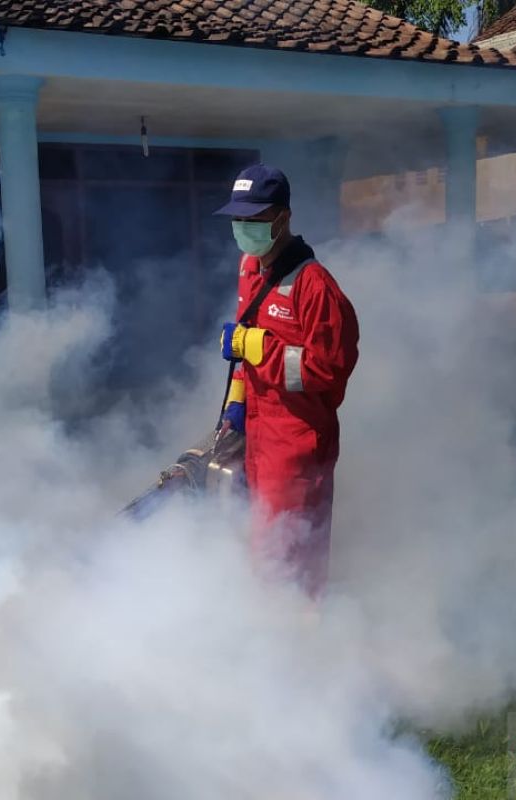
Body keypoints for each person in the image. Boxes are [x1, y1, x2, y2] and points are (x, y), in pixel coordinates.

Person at [214, 165, 359, 598]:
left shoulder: (316, 287)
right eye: (238, 220)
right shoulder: (250, 267)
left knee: (290, 559)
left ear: (282, 219)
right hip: (258, 434)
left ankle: (300, 648)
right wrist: (235, 405)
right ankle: (267, 640)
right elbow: (243, 352)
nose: (244, 229)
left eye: (254, 220)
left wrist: (260, 348)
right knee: (257, 549)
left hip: (296, 447)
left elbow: (328, 369)